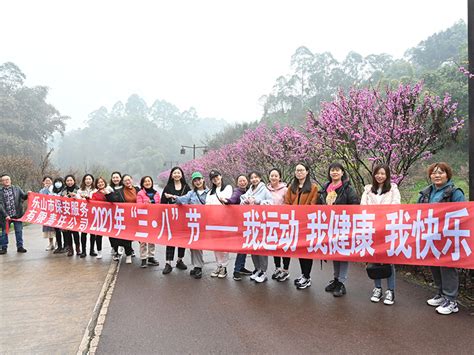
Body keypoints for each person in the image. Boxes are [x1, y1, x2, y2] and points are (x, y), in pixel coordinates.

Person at [418, 162, 465, 315]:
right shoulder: (426, 193)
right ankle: (441, 293)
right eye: (434, 173)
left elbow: (462, 213)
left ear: (447, 175)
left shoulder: (455, 192)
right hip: (431, 235)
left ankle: (451, 300)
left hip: (448, 236)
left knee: (447, 266)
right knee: (434, 264)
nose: (437, 175)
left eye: (441, 172)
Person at [361, 164, 400, 305]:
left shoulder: (393, 189)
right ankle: (377, 288)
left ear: (387, 175)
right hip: (372, 230)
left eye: (383, 173)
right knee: (374, 260)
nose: (380, 176)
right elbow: (363, 207)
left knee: (389, 261)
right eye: (377, 173)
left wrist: (380, 214)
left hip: (387, 230)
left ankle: (390, 290)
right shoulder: (367, 190)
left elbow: (396, 206)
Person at [319, 162, 360, 297]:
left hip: (344, 226)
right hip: (329, 226)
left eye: (337, 170)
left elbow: (354, 206)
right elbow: (317, 205)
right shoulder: (325, 188)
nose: (335, 172)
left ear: (342, 173)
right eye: (332, 170)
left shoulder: (348, 189)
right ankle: (336, 279)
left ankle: (342, 282)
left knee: (342, 254)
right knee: (334, 254)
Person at [284, 163, 318, 289]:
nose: (299, 172)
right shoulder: (291, 187)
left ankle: (307, 276)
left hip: (307, 224)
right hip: (294, 224)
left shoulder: (313, 187)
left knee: (307, 251)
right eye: (297, 170)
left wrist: (300, 212)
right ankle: (303, 274)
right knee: (300, 250)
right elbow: (287, 203)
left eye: (302, 170)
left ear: (307, 172)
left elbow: (313, 204)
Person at [172, 171, 209, 279]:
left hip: (206, 223)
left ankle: (200, 267)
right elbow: (182, 200)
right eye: (195, 180)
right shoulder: (191, 193)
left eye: (199, 179)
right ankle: (197, 266)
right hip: (194, 223)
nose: (198, 182)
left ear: (203, 179)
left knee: (199, 245)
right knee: (194, 245)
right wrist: (174, 197)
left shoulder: (210, 192)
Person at [240, 171, 274, 283]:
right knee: (253, 247)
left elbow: (271, 203)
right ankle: (257, 268)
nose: (254, 179)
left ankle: (263, 271)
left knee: (261, 247)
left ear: (260, 178)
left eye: (256, 177)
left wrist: (258, 201)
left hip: (262, 222)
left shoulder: (264, 190)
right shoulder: (249, 190)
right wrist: (245, 201)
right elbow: (242, 199)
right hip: (251, 222)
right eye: (252, 178)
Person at [221, 174, 252, 281]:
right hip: (241, 224)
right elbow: (233, 199)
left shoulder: (250, 191)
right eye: (240, 181)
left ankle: (241, 267)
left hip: (250, 224)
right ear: (237, 182)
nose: (242, 182)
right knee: (242, 247)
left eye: (244, 180)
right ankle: (236, 271)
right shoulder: (237, 192)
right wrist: (227, 201)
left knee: (245, 247)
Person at [161, 167, 190, 274]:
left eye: (179, 173)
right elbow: (162, 203)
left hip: (184, 217)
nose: (177, 175)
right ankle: (168, 263)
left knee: (182, 239)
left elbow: (190, 200)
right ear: (172, 175)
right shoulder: (168, 187)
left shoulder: (186, 187)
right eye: (175, 173)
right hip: (171, 218)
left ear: (181, 175)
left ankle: (180, 260)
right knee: (171, 239)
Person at [105, 174, 138, 264]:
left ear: (132, 179)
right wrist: (107, 194)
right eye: (125, 180)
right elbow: (114, 199)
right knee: (125, 236)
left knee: (136, 236)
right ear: (123, 182)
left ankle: (141, 254)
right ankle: (128, 254)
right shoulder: (120, 191)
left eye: (129, 179)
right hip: (124, 217)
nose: (128, 182)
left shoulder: (137, 189)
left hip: (136, 216)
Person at [206, 170, 233, 278]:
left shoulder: (228, 188)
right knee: (216, 245)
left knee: (224, 245)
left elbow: (227, 200)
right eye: (213, 178)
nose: (215, 179)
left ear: (221, 176)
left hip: (224, 221)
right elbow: (207, 205)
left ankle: (224, 267)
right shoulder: (210, 192)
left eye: (217, 177)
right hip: (213, 222)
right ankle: (219, 265)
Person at [267, 168, 290, 281]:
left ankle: (286, 270)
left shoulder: (285, 189)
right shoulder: (266, 190)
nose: (274, 178)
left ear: (280, 177)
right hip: (271, 222)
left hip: (283, 222)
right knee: (275, 246)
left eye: (276, 175)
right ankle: (277, 268)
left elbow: (289, 203)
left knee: (284, 246)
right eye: (272, 175)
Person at [0, 174, 29, 254]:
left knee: (19, 231)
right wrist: (6, 215)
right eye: (4, 180)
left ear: (10, 180)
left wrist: (28, 194)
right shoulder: (0, 191)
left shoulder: (17, 188)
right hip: (5, 217)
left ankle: (20, 247)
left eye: (7, 179)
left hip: (17, 215)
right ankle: (4, 248)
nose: (6, 181)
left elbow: (24, 197)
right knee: (4, 232)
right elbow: (0, 204)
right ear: (1, 182)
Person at [136, 176, 160, 268]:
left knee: (152, 239)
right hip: (143, 220)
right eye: (145, 181)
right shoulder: (140, 193)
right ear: (142, 183)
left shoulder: (156, 193)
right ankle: (143, 258)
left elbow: (159, 206)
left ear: (152, 182)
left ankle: (151, 257)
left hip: (153, 219)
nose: (147, 183)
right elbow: (139, 206)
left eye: (149, 181)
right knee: (143, 240)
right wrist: (147, 204)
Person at [76, 174, 98, 258]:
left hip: (92, 214)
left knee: (93, 233)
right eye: (86, 179)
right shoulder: (80, 190)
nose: (88, 180)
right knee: (83, 233)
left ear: (92, 180)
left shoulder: (95, 190)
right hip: (83, 214)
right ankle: (83, 251)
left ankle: (92, 250)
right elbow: (78, 200)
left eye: (89, 179)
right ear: (84, 180)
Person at [61, 174, 81, 257]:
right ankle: (70, 249)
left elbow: (82, 201)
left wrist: (76, 197)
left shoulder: (78, 189)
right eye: (67, 181)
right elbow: (60, 203)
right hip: (67, 214)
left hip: (76, 214)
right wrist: (63, 198)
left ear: (74, 181)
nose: (69, 182)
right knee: (68, 233)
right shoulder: (63, 191)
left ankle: (78, 248)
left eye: (71, 180)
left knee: (75, 232)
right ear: (65, 182)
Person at [90, 176, 108, 259]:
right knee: (99, 235)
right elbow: (92, 205)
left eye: (102, 182)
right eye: (99, 182)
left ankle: (115, 250)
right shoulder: (94, 194)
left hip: (110, 216)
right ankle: (99, 251)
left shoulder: (109, 192)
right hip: (100, 217)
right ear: (96, 184)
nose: (100, 184)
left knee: (112, 235)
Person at [39, 176, 56, 251]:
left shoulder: (55, 189)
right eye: (46, 181)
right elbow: (40, 198)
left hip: (56, 211)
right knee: (48, 229)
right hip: (47, 212)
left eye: (49, 181)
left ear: (52, 181)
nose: (47, 182)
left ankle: (58, 243)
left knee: (57, 229)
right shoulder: (42, 190)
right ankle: (50, 243)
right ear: (43, 182)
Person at [51, 177, 66, 254]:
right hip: (55, 213)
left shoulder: (64, 190)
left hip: (64, 213)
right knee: (57, 231)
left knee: (64, 230)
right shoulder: (52, 190)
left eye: (60, 181)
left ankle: (66, 246)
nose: (58, 183)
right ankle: (59, 246)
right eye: (56, 181)